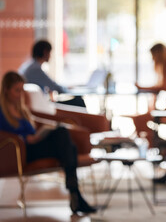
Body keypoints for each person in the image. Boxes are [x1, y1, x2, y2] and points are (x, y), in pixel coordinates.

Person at [0, 71, 96, 214]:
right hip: (20, 152)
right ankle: (76, 195)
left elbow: (33, 130)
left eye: (22, 90)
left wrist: (40, 134)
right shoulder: (2, 112)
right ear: (6, 90)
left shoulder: (22, 110)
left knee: (64, 137)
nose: (20, 94)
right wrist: (24, 139)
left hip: (35, 145)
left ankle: (75, 193)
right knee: (68, 145)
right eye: (17, 90)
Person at [18, 40, 86, 107]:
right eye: (50, 53)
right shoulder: (35, 69)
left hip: (36, 105)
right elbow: (56, 87)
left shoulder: (29, 66)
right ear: (45, 52)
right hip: (40, 107)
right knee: (79, 101)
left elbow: (50, 86)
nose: (50, 56)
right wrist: (68, 88)